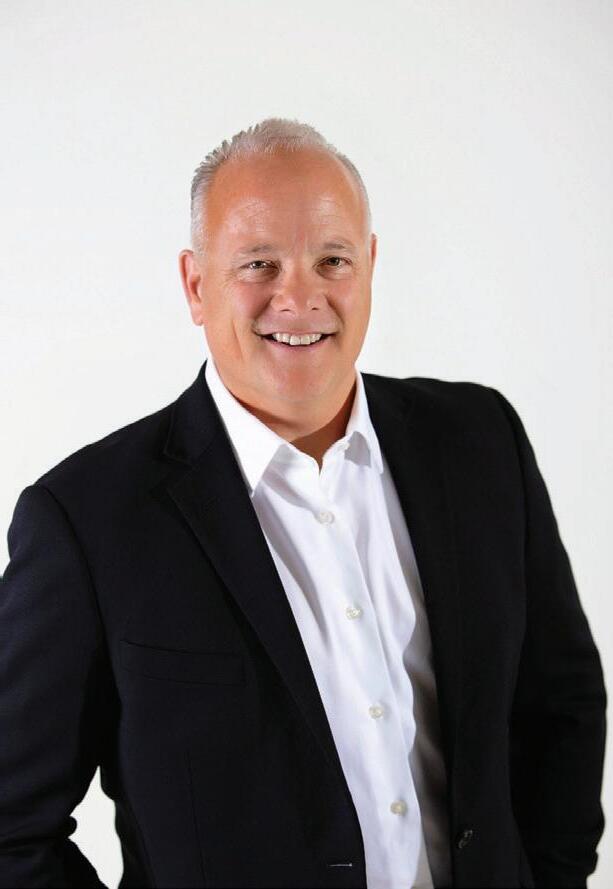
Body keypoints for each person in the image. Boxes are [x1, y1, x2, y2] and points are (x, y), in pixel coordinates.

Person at [0, 117, 606, 889]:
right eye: (258, 264)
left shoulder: (479, 442)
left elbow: (560, 707)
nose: (299, 297)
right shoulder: (89, 521)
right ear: (195, 284)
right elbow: (11, 829)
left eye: (332, 260)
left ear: (370, 266)